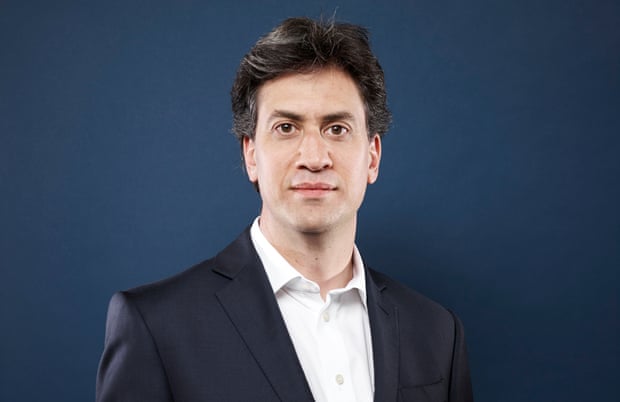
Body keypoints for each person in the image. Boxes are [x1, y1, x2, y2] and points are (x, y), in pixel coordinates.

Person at [95, 16, 473, 402]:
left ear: (372, 157)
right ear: (251, 155)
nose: (314, 157)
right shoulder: (156, 327)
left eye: (337, 129)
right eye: (286, 128)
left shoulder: (438, 332)